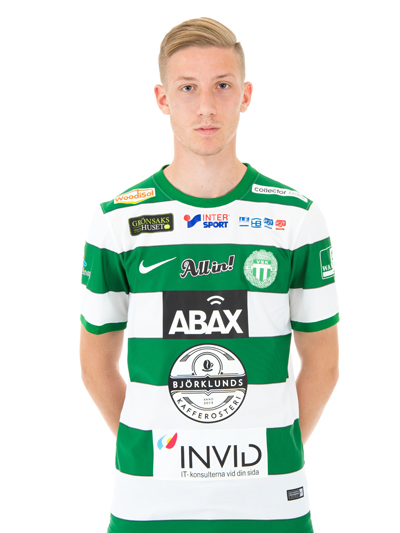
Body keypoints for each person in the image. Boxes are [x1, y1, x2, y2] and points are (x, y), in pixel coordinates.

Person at [80, 17, 339, 533]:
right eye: (187, 88)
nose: (205, 106)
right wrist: (145, 445)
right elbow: (94, 364)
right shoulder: (119, 221)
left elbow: (324, 364)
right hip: (148, 499)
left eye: (222, 86)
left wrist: (275, 449)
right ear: (162, 98)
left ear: (245, 95)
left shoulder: (296, 218)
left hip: (270, 499)